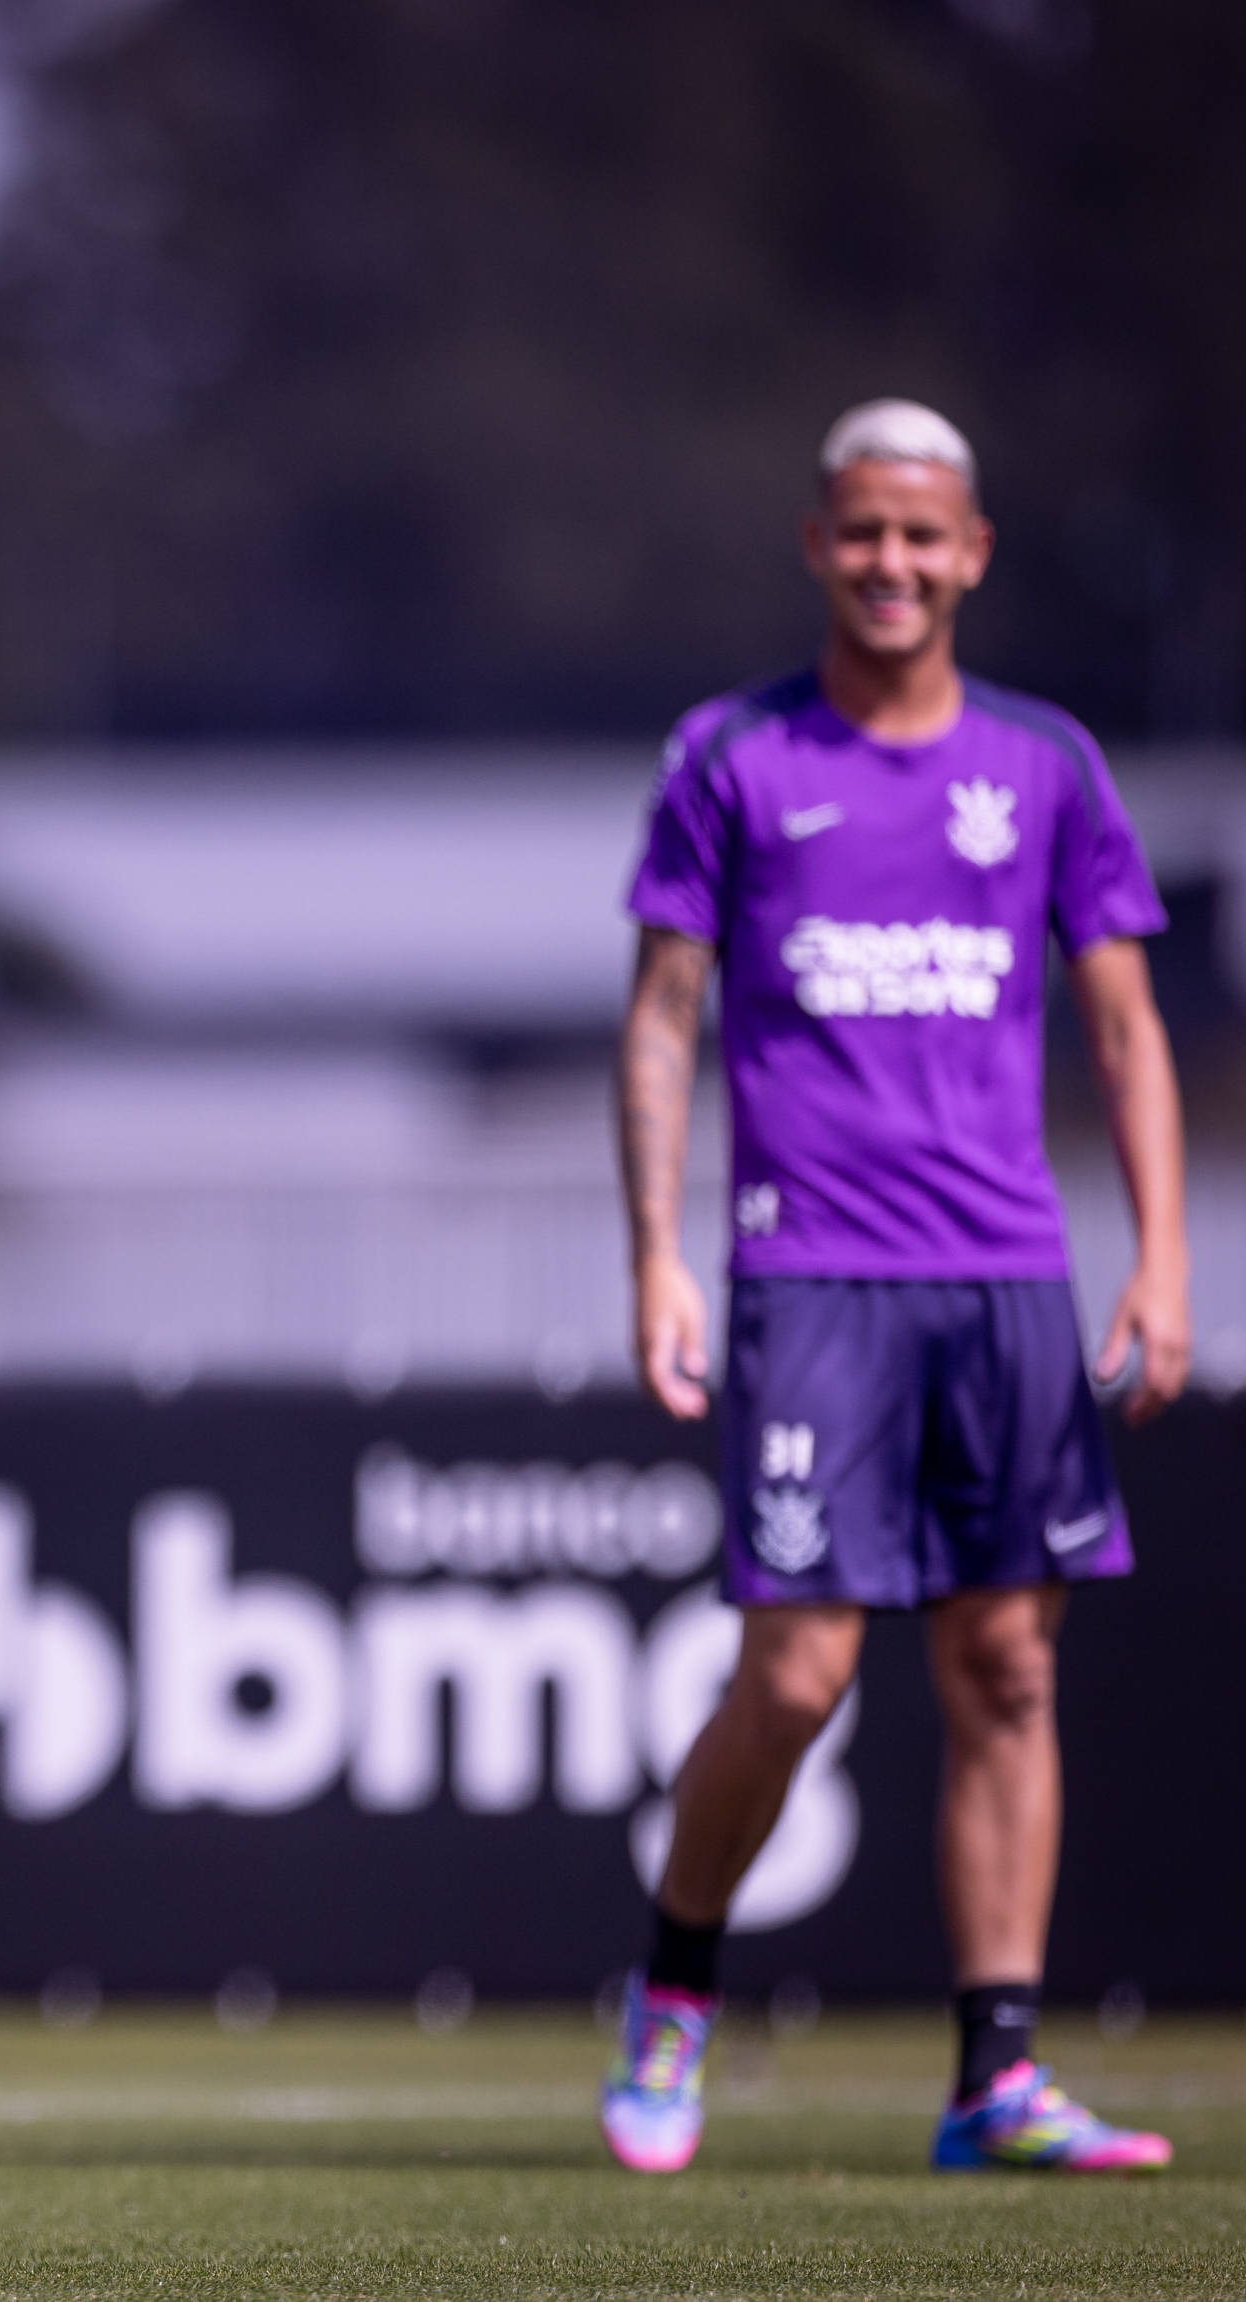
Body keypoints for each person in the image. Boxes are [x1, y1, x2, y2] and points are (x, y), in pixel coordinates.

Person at [604, 399, 1185, 2177]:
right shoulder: (734, 755)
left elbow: (1125, 1025)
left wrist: (1164, 1252)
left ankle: (997, 2077)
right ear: (819, 542)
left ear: (974, 553)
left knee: (1008, 1664)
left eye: (924, 536)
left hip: (1007, 1277)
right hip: (812, 1277)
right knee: (795, 1675)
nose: (892, 563)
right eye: (864, 532)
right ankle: (678, 1989)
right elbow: (661, 1015)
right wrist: (655, 1255)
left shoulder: (1047, 768)